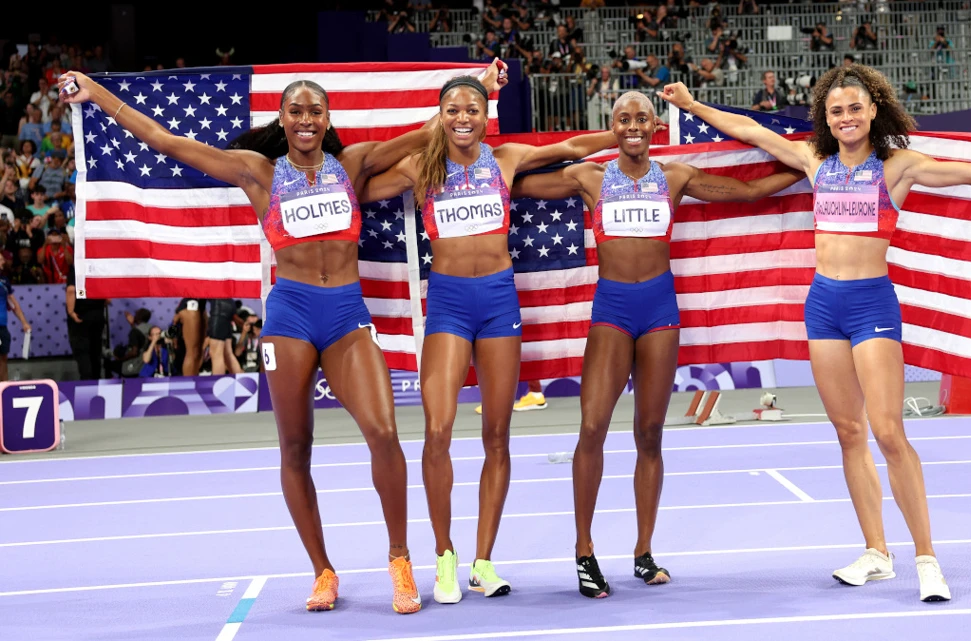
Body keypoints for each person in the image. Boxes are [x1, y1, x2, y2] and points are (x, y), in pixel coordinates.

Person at [59, 61, 503, 614]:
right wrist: (96, 93)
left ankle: (400, 560)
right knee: (295, 448)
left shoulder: (353, 165)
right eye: (296, 111)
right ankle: (322, 571)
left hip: (345, 313)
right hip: (289, 315)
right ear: (283, 118)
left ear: (327, 117)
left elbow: (430, 131)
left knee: (385, 433)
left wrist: (477, 92)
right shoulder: (257, 173)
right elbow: (166, 142)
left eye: (315, 111)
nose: (306, 120)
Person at [657, 65, 971, 602]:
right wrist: (691, 103)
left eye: (854, 108)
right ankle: (876, 552)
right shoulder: (814, 160)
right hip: (822, 306)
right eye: (835, 110)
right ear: (826, 119)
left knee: (889, 433)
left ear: (873, 111)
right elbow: (750, 132)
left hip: (872, 304)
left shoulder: (897, 167)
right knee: (848, 433)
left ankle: (926, 557)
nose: (845, 117)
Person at [512, 91, 804, 598]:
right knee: (592, 428)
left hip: (660, 313)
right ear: (611, 124)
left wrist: (809, 170)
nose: (632, 126)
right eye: (623, 119)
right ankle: (584, 551)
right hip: (612, 312)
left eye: (641, 118)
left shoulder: (676, 177)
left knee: (650, 433)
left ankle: (643, 551)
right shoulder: (590, 177)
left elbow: (746, 193)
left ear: (654, 126)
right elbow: (515, 185)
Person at [359, 74, 624, 604]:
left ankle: (483, 560)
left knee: (498, 435)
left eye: (473, 109)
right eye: (452, 109)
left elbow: (570, 149)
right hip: (450, 306)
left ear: (486, 116)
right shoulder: (421, 167)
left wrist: (622, 134)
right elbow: (358, 189)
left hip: (500, 302)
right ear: (440, 115)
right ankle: (444, 557)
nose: (463, 117)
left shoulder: (504, 159)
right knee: (438, 431)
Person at [0, 254, 32, 381]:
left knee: (3, 359)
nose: (3, 261)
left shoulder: (4, 281)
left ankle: (3, 391)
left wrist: (24, 322)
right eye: (1, 259)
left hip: (2, 328)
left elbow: (13, 304)